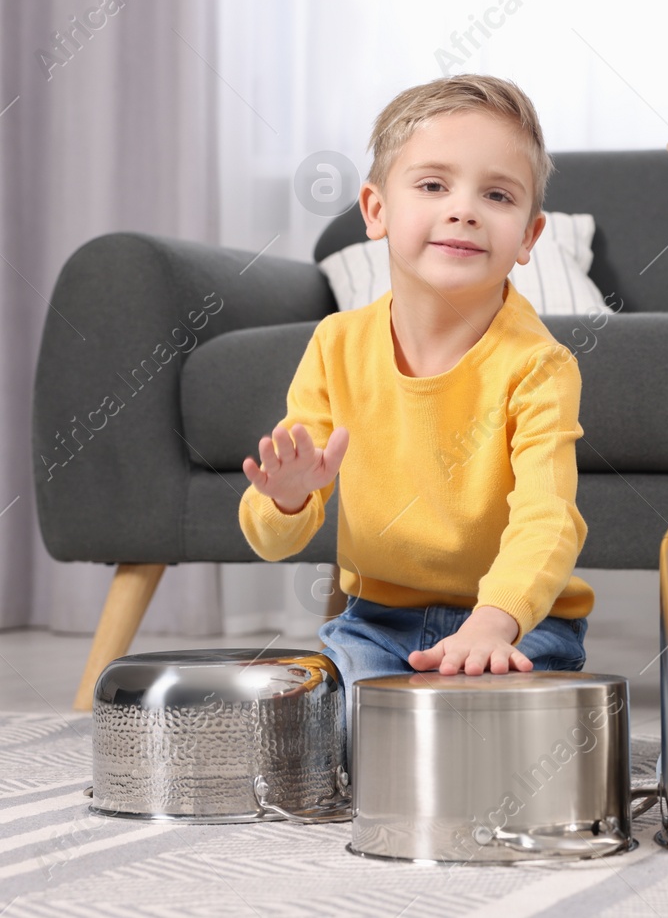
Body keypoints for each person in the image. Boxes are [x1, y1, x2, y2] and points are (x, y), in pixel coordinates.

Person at [239, 74, 593, 727]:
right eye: (433, 185)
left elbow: (550, 519)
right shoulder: (336, 343)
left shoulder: (540, 364)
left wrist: (493, 625)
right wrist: (285, 496)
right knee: (351, 734)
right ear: (375, 210)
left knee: (477, 736)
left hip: (519, 621)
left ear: (528, 236)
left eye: (496, 194)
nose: (463, 209)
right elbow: (272, 538)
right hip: (377, 622)